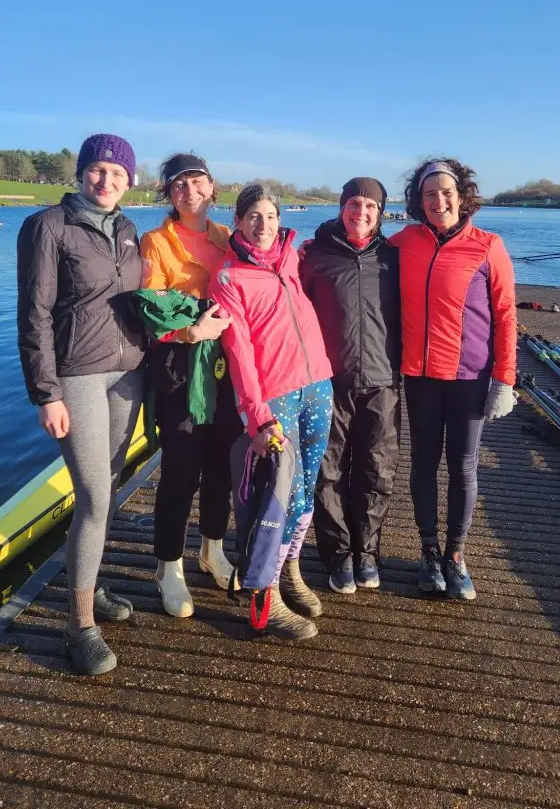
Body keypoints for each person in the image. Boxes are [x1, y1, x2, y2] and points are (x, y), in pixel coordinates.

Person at [17, 133, 146, 675]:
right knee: (93, 498)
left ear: (129, 183)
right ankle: (79, 626)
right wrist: (46, 394)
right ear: (81, 173)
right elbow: (34, 315)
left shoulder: (127, 230)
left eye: (118, 174)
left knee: (109, 488)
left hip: (129, 374)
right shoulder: (48, 226)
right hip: (77, 378)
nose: (106, 180)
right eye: (98, 169)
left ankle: (92, 588)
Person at [209, 183, 333, 640]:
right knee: (278, 497)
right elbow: (239, 354)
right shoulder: (229, 278)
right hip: (274, 399)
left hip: (317, 386)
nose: (264, 225)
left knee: (307, 489)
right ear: (238, 221)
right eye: (254, 216)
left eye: (271, 216)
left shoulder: (292, 259)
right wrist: (258, 416)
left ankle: (291, 570)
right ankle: (265, 593)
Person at [389, 158, 517, 601]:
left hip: (469, 377)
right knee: (423, 462)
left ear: (462, 196)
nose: (439, 201)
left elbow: (506, 316)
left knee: (463, 466)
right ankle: (429, 551)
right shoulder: (403, 241)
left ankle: (456, 554)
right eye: (430, 194)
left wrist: (505, 378)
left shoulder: (488, 246)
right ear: (418, 201)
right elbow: (359, 251)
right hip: (419, 375)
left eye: (446, 192)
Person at [139, 153, 241, 618]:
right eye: (179, 184)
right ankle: (169, 567)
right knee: (181, 469)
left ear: (212, 187)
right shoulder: (156, 241)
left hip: (228, 364)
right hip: (180, 366)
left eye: (197, 182)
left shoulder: (228, 237)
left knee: (222, 464)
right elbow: (149, 309)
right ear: (168, 193)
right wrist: (189, 330)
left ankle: (212, 550)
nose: (189, 191)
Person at [299, 178, 401, 594]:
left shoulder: (393, 258)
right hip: (328, 378)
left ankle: (367, 551)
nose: (361, 212)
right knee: (329, 468)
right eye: (354, 204)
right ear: (342, 208)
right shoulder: (314, 256)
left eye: (370, 206)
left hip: (383, 379)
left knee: (377, 469)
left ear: (380, 213)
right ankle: (338, 553)